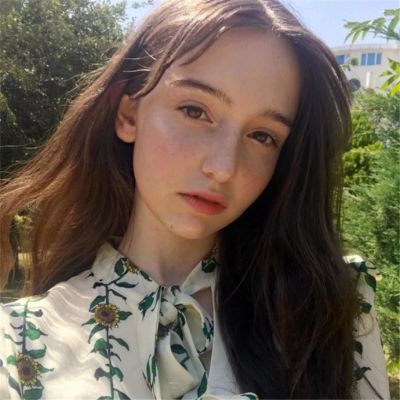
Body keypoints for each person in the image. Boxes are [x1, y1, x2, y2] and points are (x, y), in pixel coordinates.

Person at [0, 0, 390, 399]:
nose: (223, 167)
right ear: (128, 115)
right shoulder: (19, 343)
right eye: (194, 110)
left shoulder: (331, 306)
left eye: (262, 136)